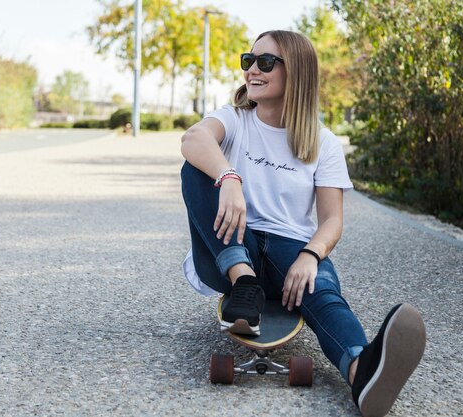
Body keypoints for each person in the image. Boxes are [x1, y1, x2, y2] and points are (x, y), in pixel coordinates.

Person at [180, 30, 426, 417]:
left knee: (323, 292)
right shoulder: (234, 120)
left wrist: (312, 254)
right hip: (227, 249)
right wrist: (229, 178)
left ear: (296, 72)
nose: (252, 71)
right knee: (194, 167)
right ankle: (244, 283)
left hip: (289, 252)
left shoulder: (322, 142)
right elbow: (193, 139)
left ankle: (364, 374)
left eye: (265, 62)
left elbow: (331, 220)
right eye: (249, 60)